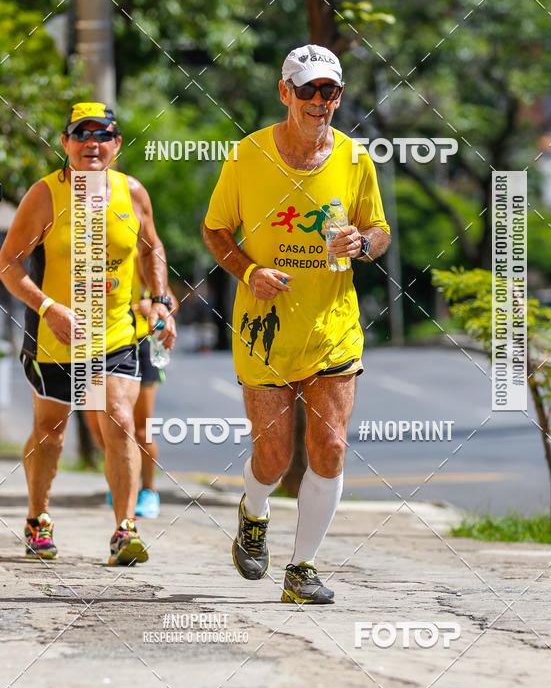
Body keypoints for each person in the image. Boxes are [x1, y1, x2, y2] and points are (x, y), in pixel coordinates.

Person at [203, 44, 390, 604]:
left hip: (333, 326)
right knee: (274, 456)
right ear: (285, 92)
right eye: (307, 90)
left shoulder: (356, 159)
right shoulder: (246, 156)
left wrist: (362, 244)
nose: (318, 101)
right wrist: (248, 270)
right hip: (265, 330)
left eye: (328, 91)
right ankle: (253, 511)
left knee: (330, 449)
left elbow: (377, 231)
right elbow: (216, 232)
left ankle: (301, 568)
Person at [0, 102, 176, 565]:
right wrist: (47, 306)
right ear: (65, 144)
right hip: (55, 337)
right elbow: (8, 264)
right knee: (51, 432)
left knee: (118, 418)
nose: (91, 145)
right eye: (81, 135)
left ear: (116, 145)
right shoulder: (45, 195)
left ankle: (125, 529)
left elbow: (151, 247)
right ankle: (38, 518)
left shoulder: (132, 192)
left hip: (115, 334)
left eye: (102, 136)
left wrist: (161, 300)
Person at [87, 252, 179, 518]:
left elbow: (170, 302)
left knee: (140, 428)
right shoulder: (87, 250)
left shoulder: (138, 256)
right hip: (95, 347)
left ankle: (148, 490)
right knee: (98, 427)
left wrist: (147, 306)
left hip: (139, 346)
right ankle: (122, 478)